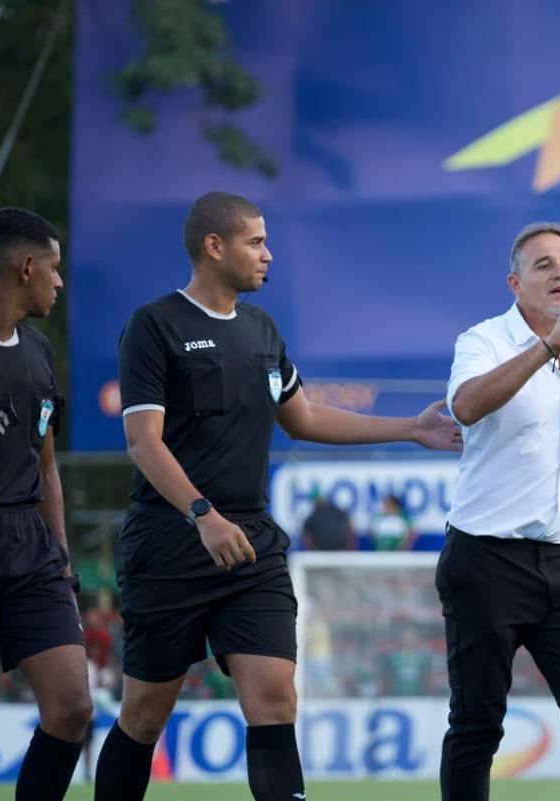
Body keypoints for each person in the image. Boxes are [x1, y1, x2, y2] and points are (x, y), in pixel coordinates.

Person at [93, 191, 461, 801]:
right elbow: (143, 442)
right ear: (215, 247)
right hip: (173, 538)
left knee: (274, 700)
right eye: (255, 242)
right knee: (145, 714)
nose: (268, 254)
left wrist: (412, 429)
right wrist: (202, 515)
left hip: (252, 543)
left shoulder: (262, 329)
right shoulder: (155, 325)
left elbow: (305, 418)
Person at [439, 221, 560, 801]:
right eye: (544, 264)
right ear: (515, 283)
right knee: (477, 727)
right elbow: (466, 407)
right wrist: (546, 345)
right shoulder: (483, 340)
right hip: (487, 560)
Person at [0, 208, 92, 800]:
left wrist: (62, 558)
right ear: (25, 268)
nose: (59, 282)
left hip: (28, 546)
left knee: (72, 707)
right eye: (54, 268)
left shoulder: (41, 352)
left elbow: (47, 466)